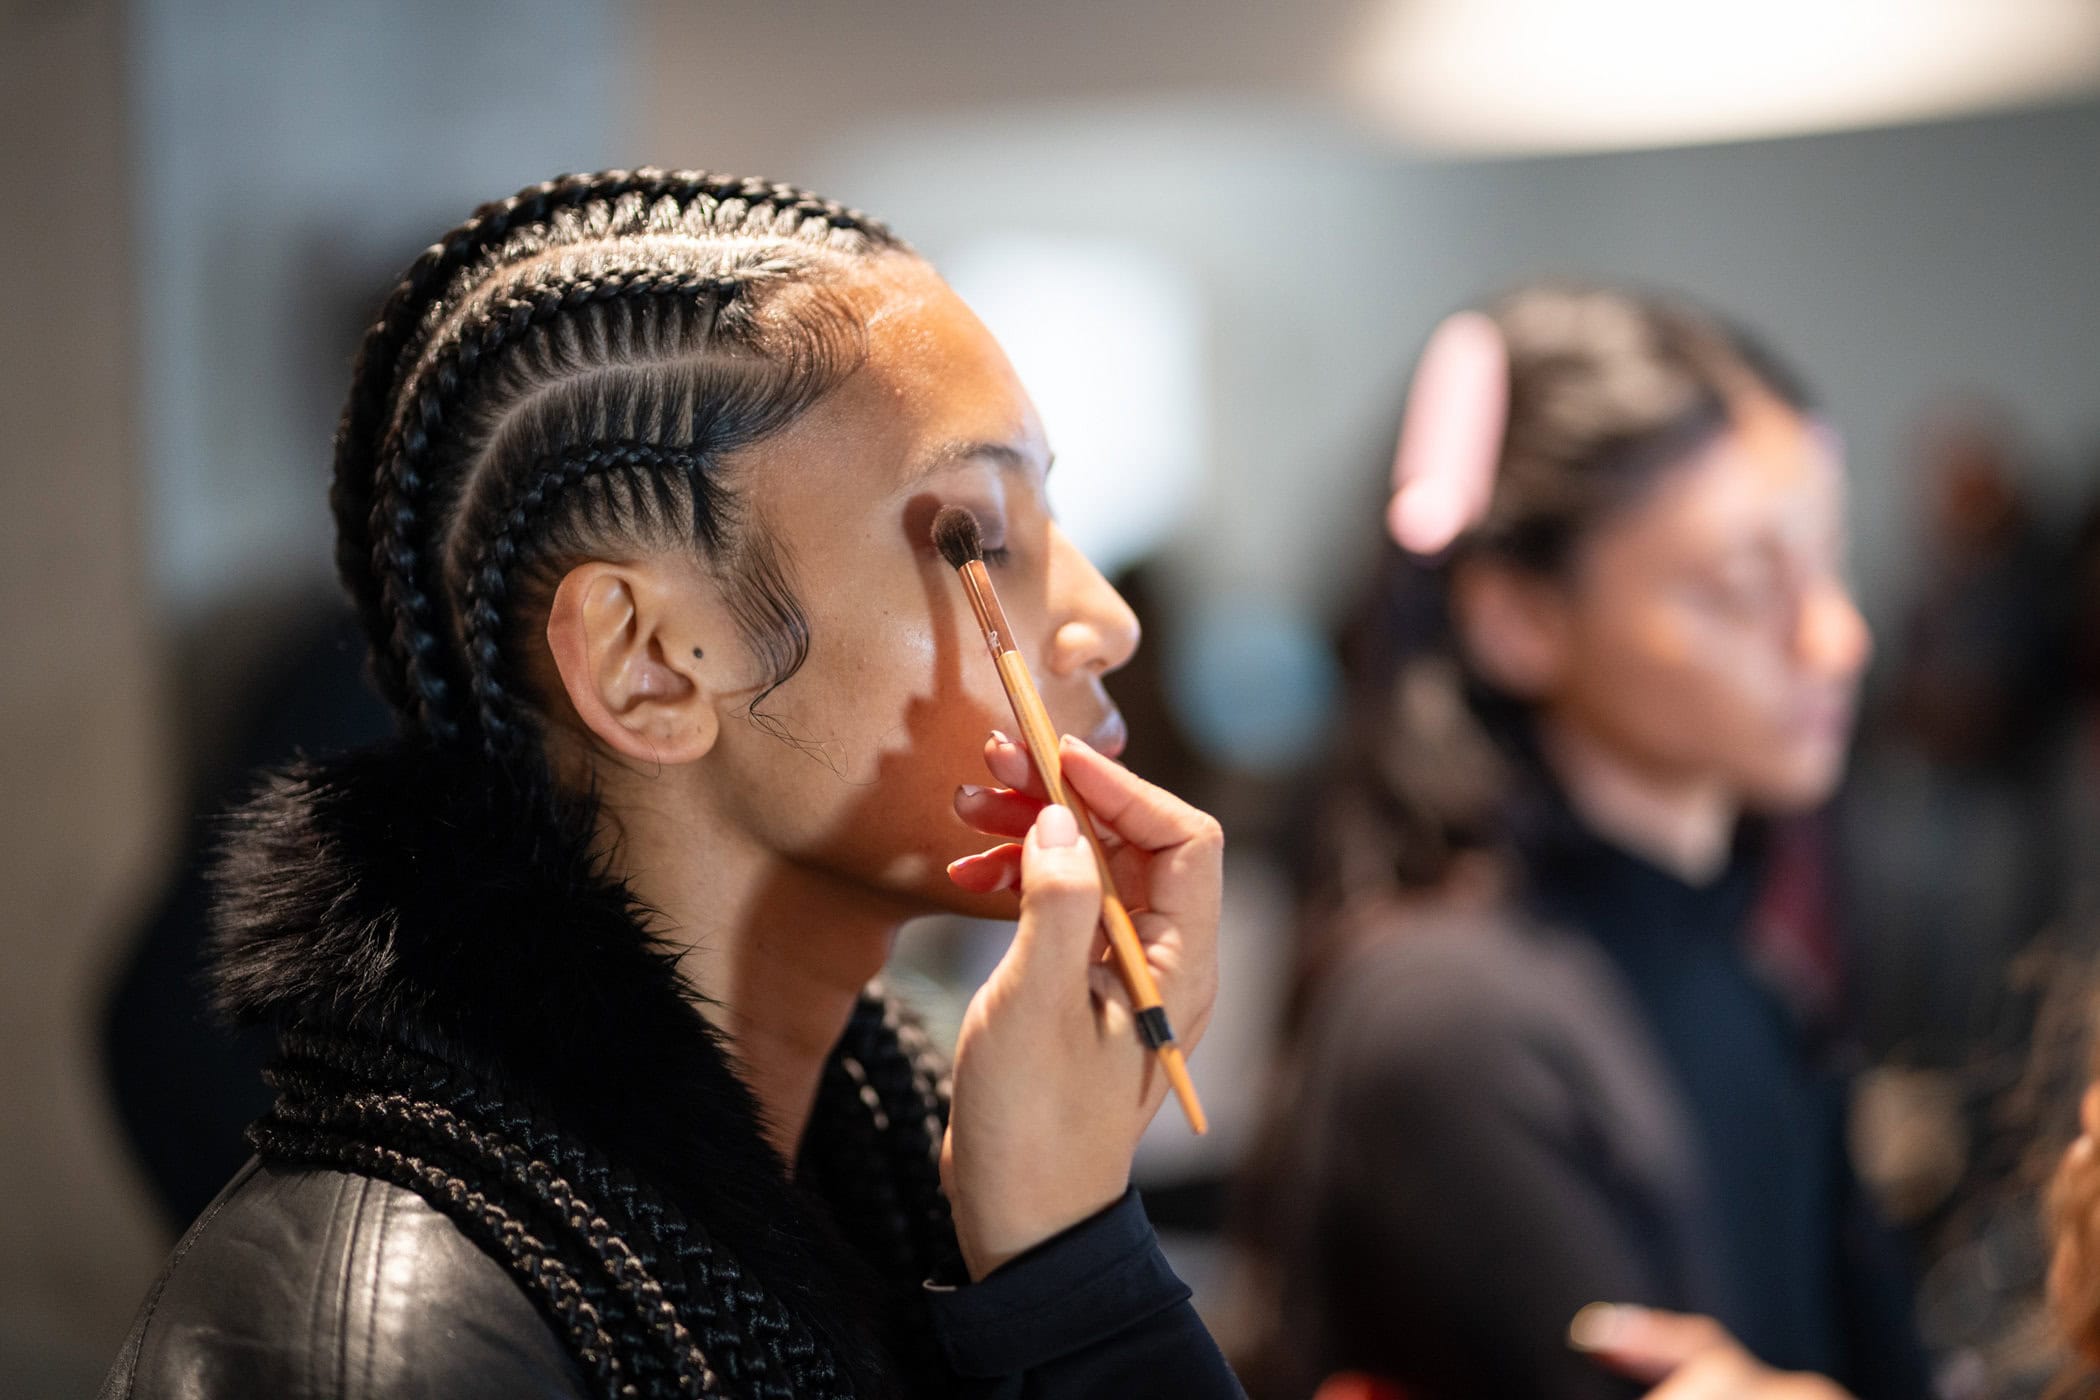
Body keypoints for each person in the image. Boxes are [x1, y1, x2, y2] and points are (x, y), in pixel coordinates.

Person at [100, 169, 1237, 1399]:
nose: (1106, 621)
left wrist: (1063, 1255)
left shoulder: (892, 1159)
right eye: (982, 535)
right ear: (649, 667)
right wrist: (1078, 1297)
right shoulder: (376, 1352)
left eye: (1051, 514)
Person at [1234, 285, 1926, 1399]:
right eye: (1747, 584)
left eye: (1831, 562)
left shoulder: (1755, 983)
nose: (1838, 638)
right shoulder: (1451, 1016)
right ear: (1516, 616)